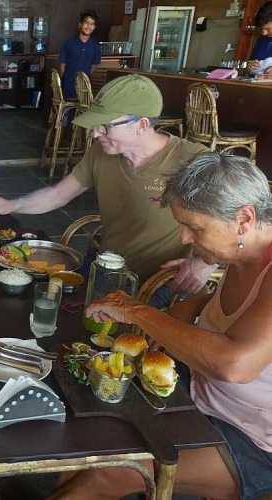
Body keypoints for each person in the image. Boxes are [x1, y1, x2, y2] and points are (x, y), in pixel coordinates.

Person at [48, 152, 272, 500]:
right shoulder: (242, 249)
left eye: (195, 228)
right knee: (89, 440)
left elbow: (235, 365)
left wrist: (139, 312)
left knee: (110, 473)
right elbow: (236, 306)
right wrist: (188, 306)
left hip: (253, 436)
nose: (184, 238)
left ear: (244, 219)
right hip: (198, 389)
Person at [0, 74, 217, 303]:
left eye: (105, 126)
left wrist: (206, 263)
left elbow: (238, 222)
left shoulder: (193, 160)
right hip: (105, 269)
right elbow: (58, 194)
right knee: (35, 299)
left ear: (141, 125)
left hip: (160, 284)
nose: (95, 133)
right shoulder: (101, 153)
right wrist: (11, 205)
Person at [58, 9, 101, 99]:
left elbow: (94, 67)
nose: (89, 26)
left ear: (94, 27)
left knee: (84, 108)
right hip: (68, 88)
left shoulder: (95, 46)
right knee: (67, 107)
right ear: (80, 25)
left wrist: (85, 80)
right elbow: (62, 66)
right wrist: (63, 83)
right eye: (86, 23)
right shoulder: (69, 43)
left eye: (92, 24)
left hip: (85, 90)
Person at [249, 1, 272, 75]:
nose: (264, 33)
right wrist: (250, 65)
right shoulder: (262, 40)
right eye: (262, 29)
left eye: (268, 29)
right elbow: (252, 62)